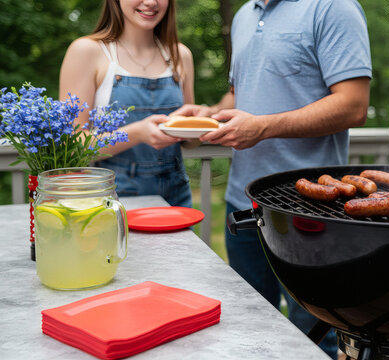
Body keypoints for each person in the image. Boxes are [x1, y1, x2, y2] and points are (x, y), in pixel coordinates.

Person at [173, 0, 371, 358]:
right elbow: (240, 94)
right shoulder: (245, 15)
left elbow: (353, 105)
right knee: (248, 326)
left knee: (311, 333)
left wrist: (263, 127)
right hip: (243, 201)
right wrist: (211, 115)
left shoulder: (333, 7)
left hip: (308, 210)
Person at [59, 0, 195, 207]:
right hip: (112, 198)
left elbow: (192, 143)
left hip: (176, 197)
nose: (151, 2)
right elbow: (72, 146)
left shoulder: (180, 55)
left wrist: (199, 123)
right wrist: (138, 133)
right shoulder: (87, 51)